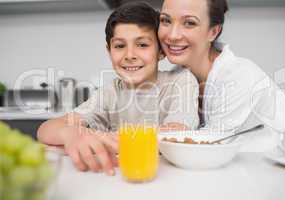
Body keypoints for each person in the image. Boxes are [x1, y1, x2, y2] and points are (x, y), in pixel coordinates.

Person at [37, 2, 199, 175]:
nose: (130, 55)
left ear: (161, 52)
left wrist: (104, 138)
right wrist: (70, 134)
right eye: (120, 46)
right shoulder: (110, 92)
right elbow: (46, 130)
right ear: (109, 51)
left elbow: (176, 132)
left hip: (169, 177)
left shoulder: (180, 81)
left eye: (142, 45)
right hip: (117, 177)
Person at [158, 0, 285, 137]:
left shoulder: (239, 76)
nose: (172, 35)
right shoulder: (177, 76)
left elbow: (207, 146)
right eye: (166, 20)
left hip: (279, 160)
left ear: (213, 32)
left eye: (189, 23)